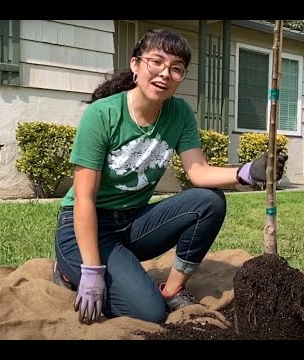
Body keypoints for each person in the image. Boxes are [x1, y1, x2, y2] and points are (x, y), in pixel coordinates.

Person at [52, 28, 288, 325]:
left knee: (207, 202)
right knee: (147, 314)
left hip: (132, 222)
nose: (165, 73)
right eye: (157, 62)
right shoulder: (102, 115)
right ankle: (66, 271)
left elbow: (198, 172)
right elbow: (84, 198)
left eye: (176, 69)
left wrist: (246, 172)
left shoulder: (179, 113)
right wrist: (91, 271)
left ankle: (172, 289)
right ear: (136, 65)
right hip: (83, 227)